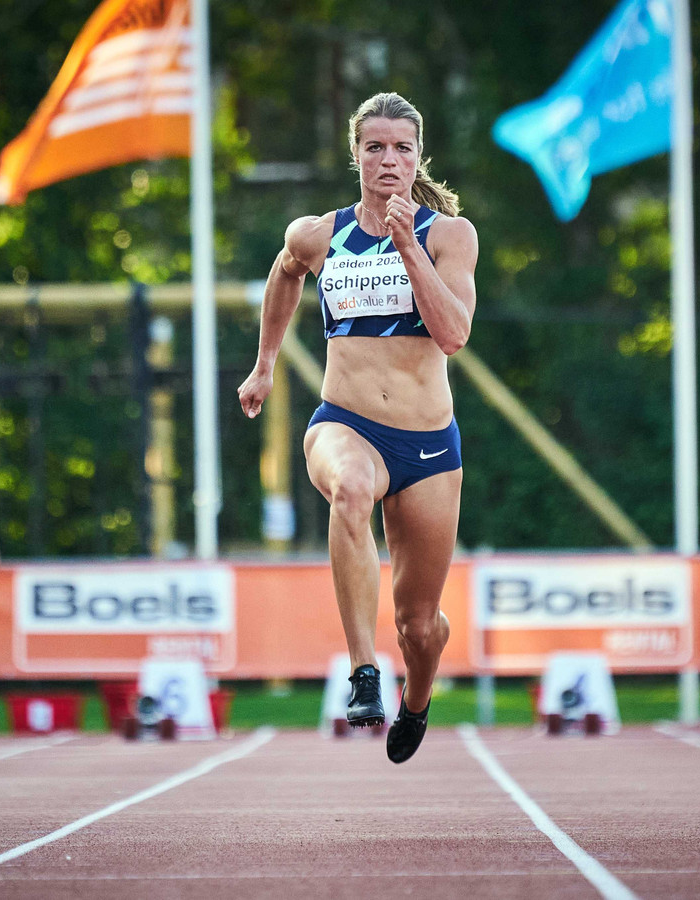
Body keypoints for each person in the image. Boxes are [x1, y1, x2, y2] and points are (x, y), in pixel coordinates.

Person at [238, 92, 478, 764]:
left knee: (421, 626)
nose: (389, 160)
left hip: (429, 446)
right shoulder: (320, 234)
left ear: (418, 156)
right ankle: (363, 670)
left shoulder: (448, 236)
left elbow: (454, 334)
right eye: (375, 147)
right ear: (356, 155)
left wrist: (406, 245)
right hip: (343, 423)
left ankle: (417, 698)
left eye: (402, 148)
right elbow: (285, 272)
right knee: (349, 490)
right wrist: (264, 366)